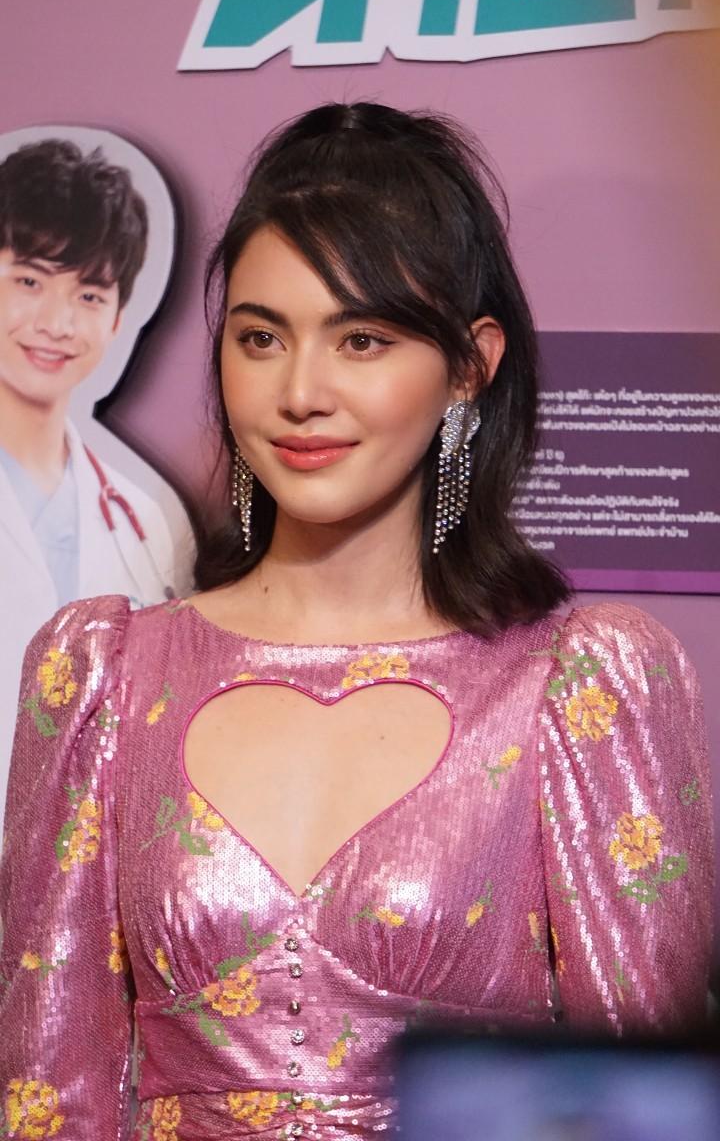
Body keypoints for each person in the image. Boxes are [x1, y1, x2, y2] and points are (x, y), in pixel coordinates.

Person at [0, 104, 713, 1140]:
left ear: (469, 366)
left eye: (362, 339)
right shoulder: (102, 671)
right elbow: (45, 1091)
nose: (300, 392)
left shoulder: (578, 683)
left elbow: (645, 1108)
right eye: (261, 338)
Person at [0, 138, 196, 824]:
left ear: (117, 319)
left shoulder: (145, 521)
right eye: (29, 281)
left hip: (87, 868)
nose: (56, 323)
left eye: (88, 294)